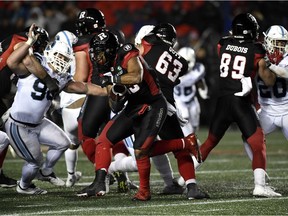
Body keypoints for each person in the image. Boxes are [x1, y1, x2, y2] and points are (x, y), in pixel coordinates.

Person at [76, 30, 204, 201]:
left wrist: (114, 79)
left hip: (154, 105)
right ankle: (99, 182)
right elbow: (114, 101)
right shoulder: (104, 67)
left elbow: (136, 76)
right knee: (104, 139)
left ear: (110, 50)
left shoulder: (128, 52)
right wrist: (115, 95)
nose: (97, 58)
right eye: (95, 53)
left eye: (99, 53)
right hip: (135, 105)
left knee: (141, 150)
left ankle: (146, 191)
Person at [5, 24, 107, 195]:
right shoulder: (34, 64)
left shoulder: (61, 78)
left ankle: (46, 172)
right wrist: (29, 41)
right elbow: (11, 61)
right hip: (19, 124)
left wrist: (106, 91)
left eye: (65, 58)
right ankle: (24, 186)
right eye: (59, 56)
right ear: (50, 52)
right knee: (34, 162)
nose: (61, 60)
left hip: (38, 122)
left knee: (63, 143)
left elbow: (85, 88)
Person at [197, 13, 281, 197]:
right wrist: (270, 65)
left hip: (222, 100)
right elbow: (268, 81)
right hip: (241, 102)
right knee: (258, 143)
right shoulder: (258, 50)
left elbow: (233, 50)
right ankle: (260, 186)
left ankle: (185, 179)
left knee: (210, 142)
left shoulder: (223, 43)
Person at [134, 23, 209, 199]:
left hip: (142, 101)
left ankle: (106, 174)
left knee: (136, 148)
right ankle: (191, 188)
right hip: (167, 104)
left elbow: (138, 56)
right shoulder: (182, 62)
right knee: (179, 149)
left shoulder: (148, 41)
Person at [73, 8, 136, 193]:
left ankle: (104, 176)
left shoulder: (83, 43)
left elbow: (81, 77)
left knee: (86, 133)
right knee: (111, 133)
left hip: (99, 90)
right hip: (120, 90)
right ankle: (121, 172)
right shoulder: (117, 35)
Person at [0, 25, 50, 188]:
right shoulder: (22, 42)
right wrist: (48, 80)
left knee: (4, 132)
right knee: (3, 137)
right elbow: (28, 60)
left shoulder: (10, 41)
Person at [243, 25, 288, 194]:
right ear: (268, 42)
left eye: (283, 43)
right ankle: (261, 174)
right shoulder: (258, 55)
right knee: (248, 137)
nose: (280, 47)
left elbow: (284, 73)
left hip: (287, 110)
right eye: (277, 43)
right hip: (267, 111)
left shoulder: (285, 58)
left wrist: (271, 66)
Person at [55, 30, 84, 187]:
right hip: (83, 103)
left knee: (72, 144)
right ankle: (108, 175)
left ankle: (70, 176)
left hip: (67, 109)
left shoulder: (51, 59)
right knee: (101, 141)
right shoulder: (80, 55)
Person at [174, 46, 208, 135]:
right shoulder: (173, 70)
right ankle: (191, 141)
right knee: (185, 119)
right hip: (178, 99)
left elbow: (200, 81)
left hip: (192, 99)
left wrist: (203, 89)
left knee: (195, 124)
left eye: (187, 62)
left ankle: (193, 138)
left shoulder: (198, 69)